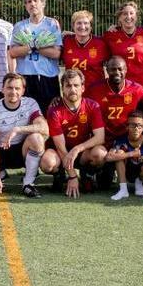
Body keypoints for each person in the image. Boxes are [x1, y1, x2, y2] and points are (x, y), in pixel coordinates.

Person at [42, 69, 107, 199]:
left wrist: (77, 149)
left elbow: (100, 137)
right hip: (61, 154)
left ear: (83, 88)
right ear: (63, 89)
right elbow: (60, 147)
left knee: (100, 153)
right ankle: (60, 175)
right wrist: (72, 176)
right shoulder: (54, 110)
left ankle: (87, 174)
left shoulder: (92, 106)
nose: (72, 89)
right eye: (68, 85)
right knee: (47, 162)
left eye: (76, 85)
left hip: (82, 153)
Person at [0, 73, 48, 196]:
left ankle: (28, 184)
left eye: (17, 88)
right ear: (2, 89)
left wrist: (17, 129)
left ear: (23, 90)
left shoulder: (30, 103)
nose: (13, 92)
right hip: (1, 151)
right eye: (9, 88)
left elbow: (44, 128)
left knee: (37, 138)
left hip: (22, 150)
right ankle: (0, 173)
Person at [84, 57, 143, 154]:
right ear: (107, 70)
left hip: (128, 138)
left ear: (126, 70)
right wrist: (58, 100)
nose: (117, 72)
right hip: (103, 138)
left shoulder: (136, 89)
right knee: (98, 156)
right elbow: (78, 102)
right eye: (113, 69)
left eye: (120, 69)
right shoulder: (94, 90)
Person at [9, 0, 62, 112]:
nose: (32, 4)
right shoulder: (20, 26)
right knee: (27, 116)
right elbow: (13, 52)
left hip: (48, 78)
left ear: (43, 3)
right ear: (25, 6)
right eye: (29, 2)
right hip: (26, 78)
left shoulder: (52, 24)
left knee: (51, 115)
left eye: (35, 1)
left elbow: (57, 53)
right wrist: (30, 47)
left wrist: (36, 47)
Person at [103, 1, 143, 94]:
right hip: (122, 85)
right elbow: (93, 44)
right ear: (119, 18)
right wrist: (73, 35)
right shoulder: (110, 35)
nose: (128, 17)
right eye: (124, 14)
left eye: (131, 13)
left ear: (136, 17)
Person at [106, 111, 143, 200]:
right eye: (133, 125)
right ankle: (123, 190)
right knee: (119, 154)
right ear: (127, 127)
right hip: (126, 171)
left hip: (142, 173)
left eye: (139, 126)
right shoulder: (121, 139)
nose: (136, 128)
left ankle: (139, 182)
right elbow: (108, 157)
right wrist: (131, 154)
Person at [61, 10, 109, 87]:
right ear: (73, 26)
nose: (82, 27)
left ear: (91, 27)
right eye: (79, 23)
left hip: (95, 91)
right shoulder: (66, 41)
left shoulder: (101, 43)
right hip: (72, 90)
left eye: (86, 23)